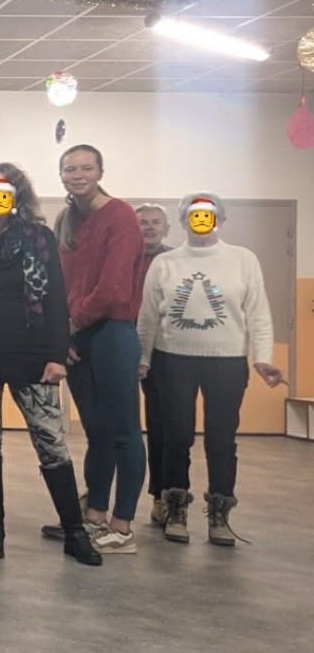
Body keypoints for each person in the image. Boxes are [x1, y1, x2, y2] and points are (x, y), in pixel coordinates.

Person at [0, 166, 102, 566]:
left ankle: (74, 531)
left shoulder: (39, 237)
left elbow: (56, 298)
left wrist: (57, 353)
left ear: (18, 195)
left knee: (51, 443)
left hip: (33, 357)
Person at [138, 193, 283, 546]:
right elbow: (148, 316)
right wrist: (143, 359)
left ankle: (220, 513)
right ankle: (175, 509)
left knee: (221, 440)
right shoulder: (165, 263)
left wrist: (262, 357)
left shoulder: (243, 259)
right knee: (177, 437)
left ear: (220, 219)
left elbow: (258, 313)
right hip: (173, 360)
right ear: (183, 221)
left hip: (227, 362)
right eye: (193, 215)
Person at [53, 144, 146, 555]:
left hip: (112, 333)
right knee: (97, 432)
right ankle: (94, 516)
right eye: (70, 169)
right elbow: (60, 283)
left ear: (100, 172)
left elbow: (113, 288)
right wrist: (63, 335)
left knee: (124, 432)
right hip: (77, 338)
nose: (78, 175)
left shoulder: (120, 215)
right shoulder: (66, 220)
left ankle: (122, 526)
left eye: (86, 168)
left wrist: (71, 326)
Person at [134, 203, 174, 525]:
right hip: (118, 343)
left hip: (162, 352)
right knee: (111, 427)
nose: (148, 227)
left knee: (161, 425)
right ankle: (98, 495)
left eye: (155, 222)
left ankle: (161, 496)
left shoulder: (175, 262)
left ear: (167, 228)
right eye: (142, 222)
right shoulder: (123, 258)